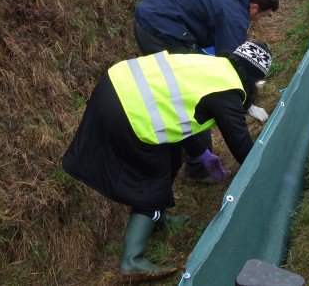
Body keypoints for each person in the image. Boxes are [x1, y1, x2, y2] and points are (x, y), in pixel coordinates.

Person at [62, 41, 272, 278]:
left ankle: (156, 221)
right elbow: (242, 147)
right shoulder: (227, 90)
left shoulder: (214, 66)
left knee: (171, 157)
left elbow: (179, 113)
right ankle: (132, 260)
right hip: (129, 108)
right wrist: (270, 172)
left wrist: (201, 153)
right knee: (153, 174)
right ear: (253, 80)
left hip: (115, 83)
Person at [133, 0, 279, 183]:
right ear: (255, 7)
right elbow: (229, 72)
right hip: (161, 30)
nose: (257, 21)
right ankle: (199, 168)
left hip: (150, 18)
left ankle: (191, 155)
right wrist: (243, 104)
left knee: (192, 85)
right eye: (261, 16)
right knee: (198, 90)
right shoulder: (234, 15)